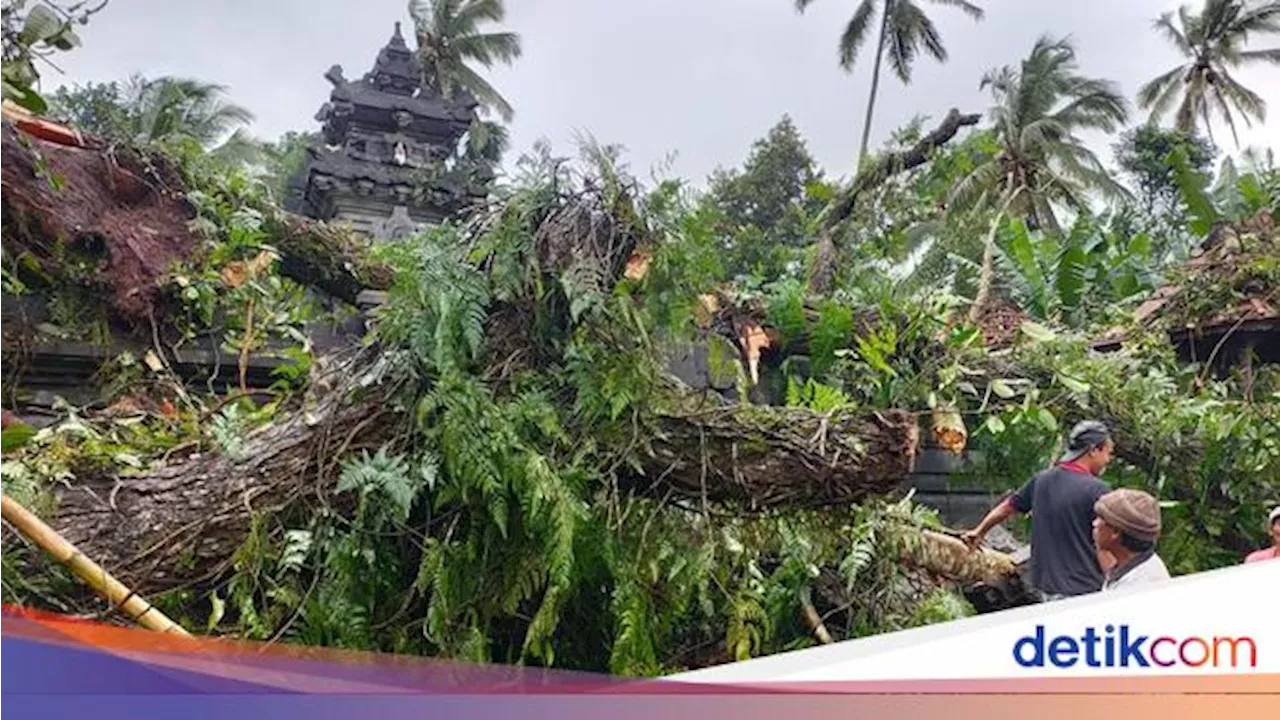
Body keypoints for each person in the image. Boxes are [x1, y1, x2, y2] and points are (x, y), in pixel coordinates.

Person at [961, 420, 1113, 601]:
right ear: (1094, 450)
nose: (1108, 460)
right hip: (1084, 589)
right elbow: (1108, 542)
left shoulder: (1042, 480)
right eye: (1108, 453)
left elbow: (1006, 508)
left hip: (1045, 588)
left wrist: (979, 531)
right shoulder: (1097, 490)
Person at [1092, 488, 1170, 590]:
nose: (1094, 524)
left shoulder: (1138, 586)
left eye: (1101, 519)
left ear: (1115, 532)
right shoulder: (1132, 567)